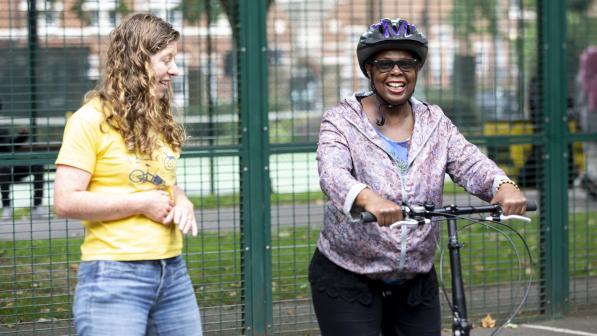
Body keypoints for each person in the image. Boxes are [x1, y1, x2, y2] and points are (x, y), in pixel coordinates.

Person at [309, 18, 528, 336]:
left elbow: (470, 162)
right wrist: (368, 199)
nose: (396, 72)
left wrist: (504, 187)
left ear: (417, 69)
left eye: (406, 63)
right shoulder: (341, 120)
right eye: (385, 63)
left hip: (415, 279)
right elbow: (332, 172)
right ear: (369, 69)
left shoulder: (434, 120)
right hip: (348, 276)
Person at [53, 13, 202, 335]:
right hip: (115, 274)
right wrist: (140, 204)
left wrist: (181, 198)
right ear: (138, 60)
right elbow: (65, 201)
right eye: (166, 60)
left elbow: (161, 182)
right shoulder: (89, 120)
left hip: (172, 270)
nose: (174, 70)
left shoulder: (154, 119)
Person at [576, 46, 597, 199]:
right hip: (590, 116)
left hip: (589, 116)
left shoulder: (584, 76)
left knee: (591, 151)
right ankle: (590, 179)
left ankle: (590, 178)